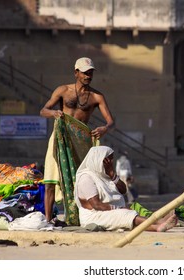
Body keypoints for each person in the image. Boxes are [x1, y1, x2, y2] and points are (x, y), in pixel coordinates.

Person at [40, 57, 115, 225]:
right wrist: (54, 114)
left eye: (90, 72)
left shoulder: (97, 96)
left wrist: (105, 128)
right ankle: (48, 219)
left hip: (81, 142)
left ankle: (78, 217)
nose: (88, 76)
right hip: (60, 138)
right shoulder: (63, 90)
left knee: (81, 180)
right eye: (85, 72)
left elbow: (111, 121)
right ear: (76, 73)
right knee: (51, 179)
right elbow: (43, 110)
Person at [74, 146, 178, 232]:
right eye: (108, 160)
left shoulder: (104, 174)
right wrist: (118, 209)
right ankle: (157, 225)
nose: (110, 162)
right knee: (125, 214)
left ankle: (158, 224)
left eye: (111, 159)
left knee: (129, 213)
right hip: (93, 216)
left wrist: (112, 174)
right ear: (98, 160)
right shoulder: (86, 178)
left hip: (106, 211)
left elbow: (123, 190)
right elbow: (96, 205)